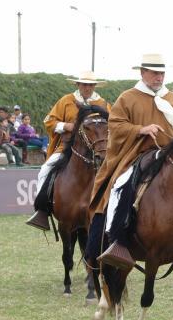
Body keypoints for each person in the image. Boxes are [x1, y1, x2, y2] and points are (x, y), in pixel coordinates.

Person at [87, 53, 173, 269]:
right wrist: (141, 129)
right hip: (137, 155)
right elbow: (115, 125)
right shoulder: (128, 97)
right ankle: (114, 240)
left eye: (162, 73)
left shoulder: (172, 98)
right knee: (118, 186)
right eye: (155, 73)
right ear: (143, 73)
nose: (159, 77)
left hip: (170, 155)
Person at [26, 71, 111, 230]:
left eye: (91, 85)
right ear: (77, 85)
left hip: (97, 150)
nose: (87, 88)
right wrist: (66, 126)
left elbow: (112, 124)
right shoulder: (66, 101)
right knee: (45, 169)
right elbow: (49, 121)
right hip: (67, 147)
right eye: (84, 84)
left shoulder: (103, 104)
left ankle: (113, 214)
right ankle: (42, 210)